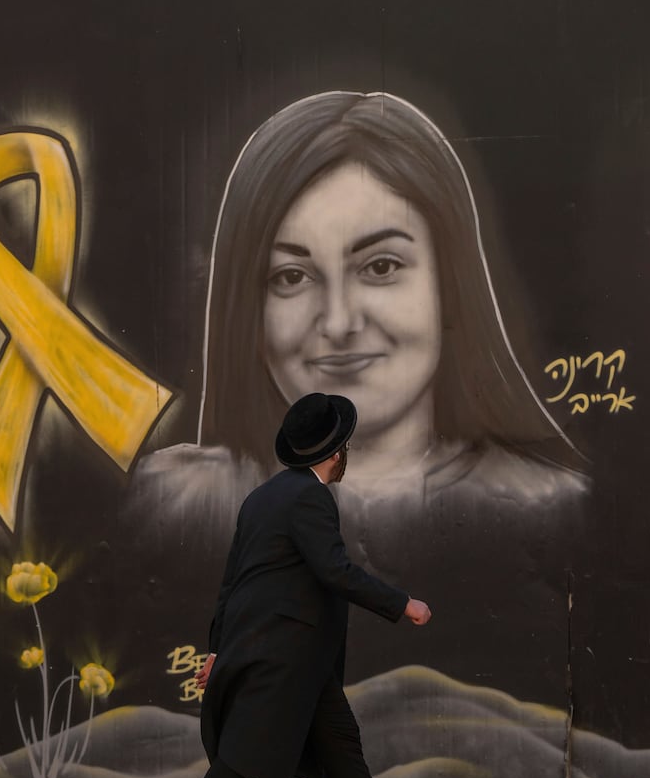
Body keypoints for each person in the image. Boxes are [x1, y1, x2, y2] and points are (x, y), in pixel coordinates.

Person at [129, 91, 586, 540]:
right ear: (247, 311)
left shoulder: (550, 507)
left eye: (380, 267)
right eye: (291, 276)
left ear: (450, 284)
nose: (338, 322)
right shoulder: (177, 503)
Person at [165, 391, 451, 778]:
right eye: (348, 447)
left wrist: (217, 649)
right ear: (337, 452)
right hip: (281, 658)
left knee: (342, 750)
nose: (348, 456)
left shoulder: (263, 497)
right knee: (239, 758)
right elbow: (334, 570)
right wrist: (402, 603)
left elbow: (232, 583)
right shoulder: (309, 499)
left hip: (294, 661)